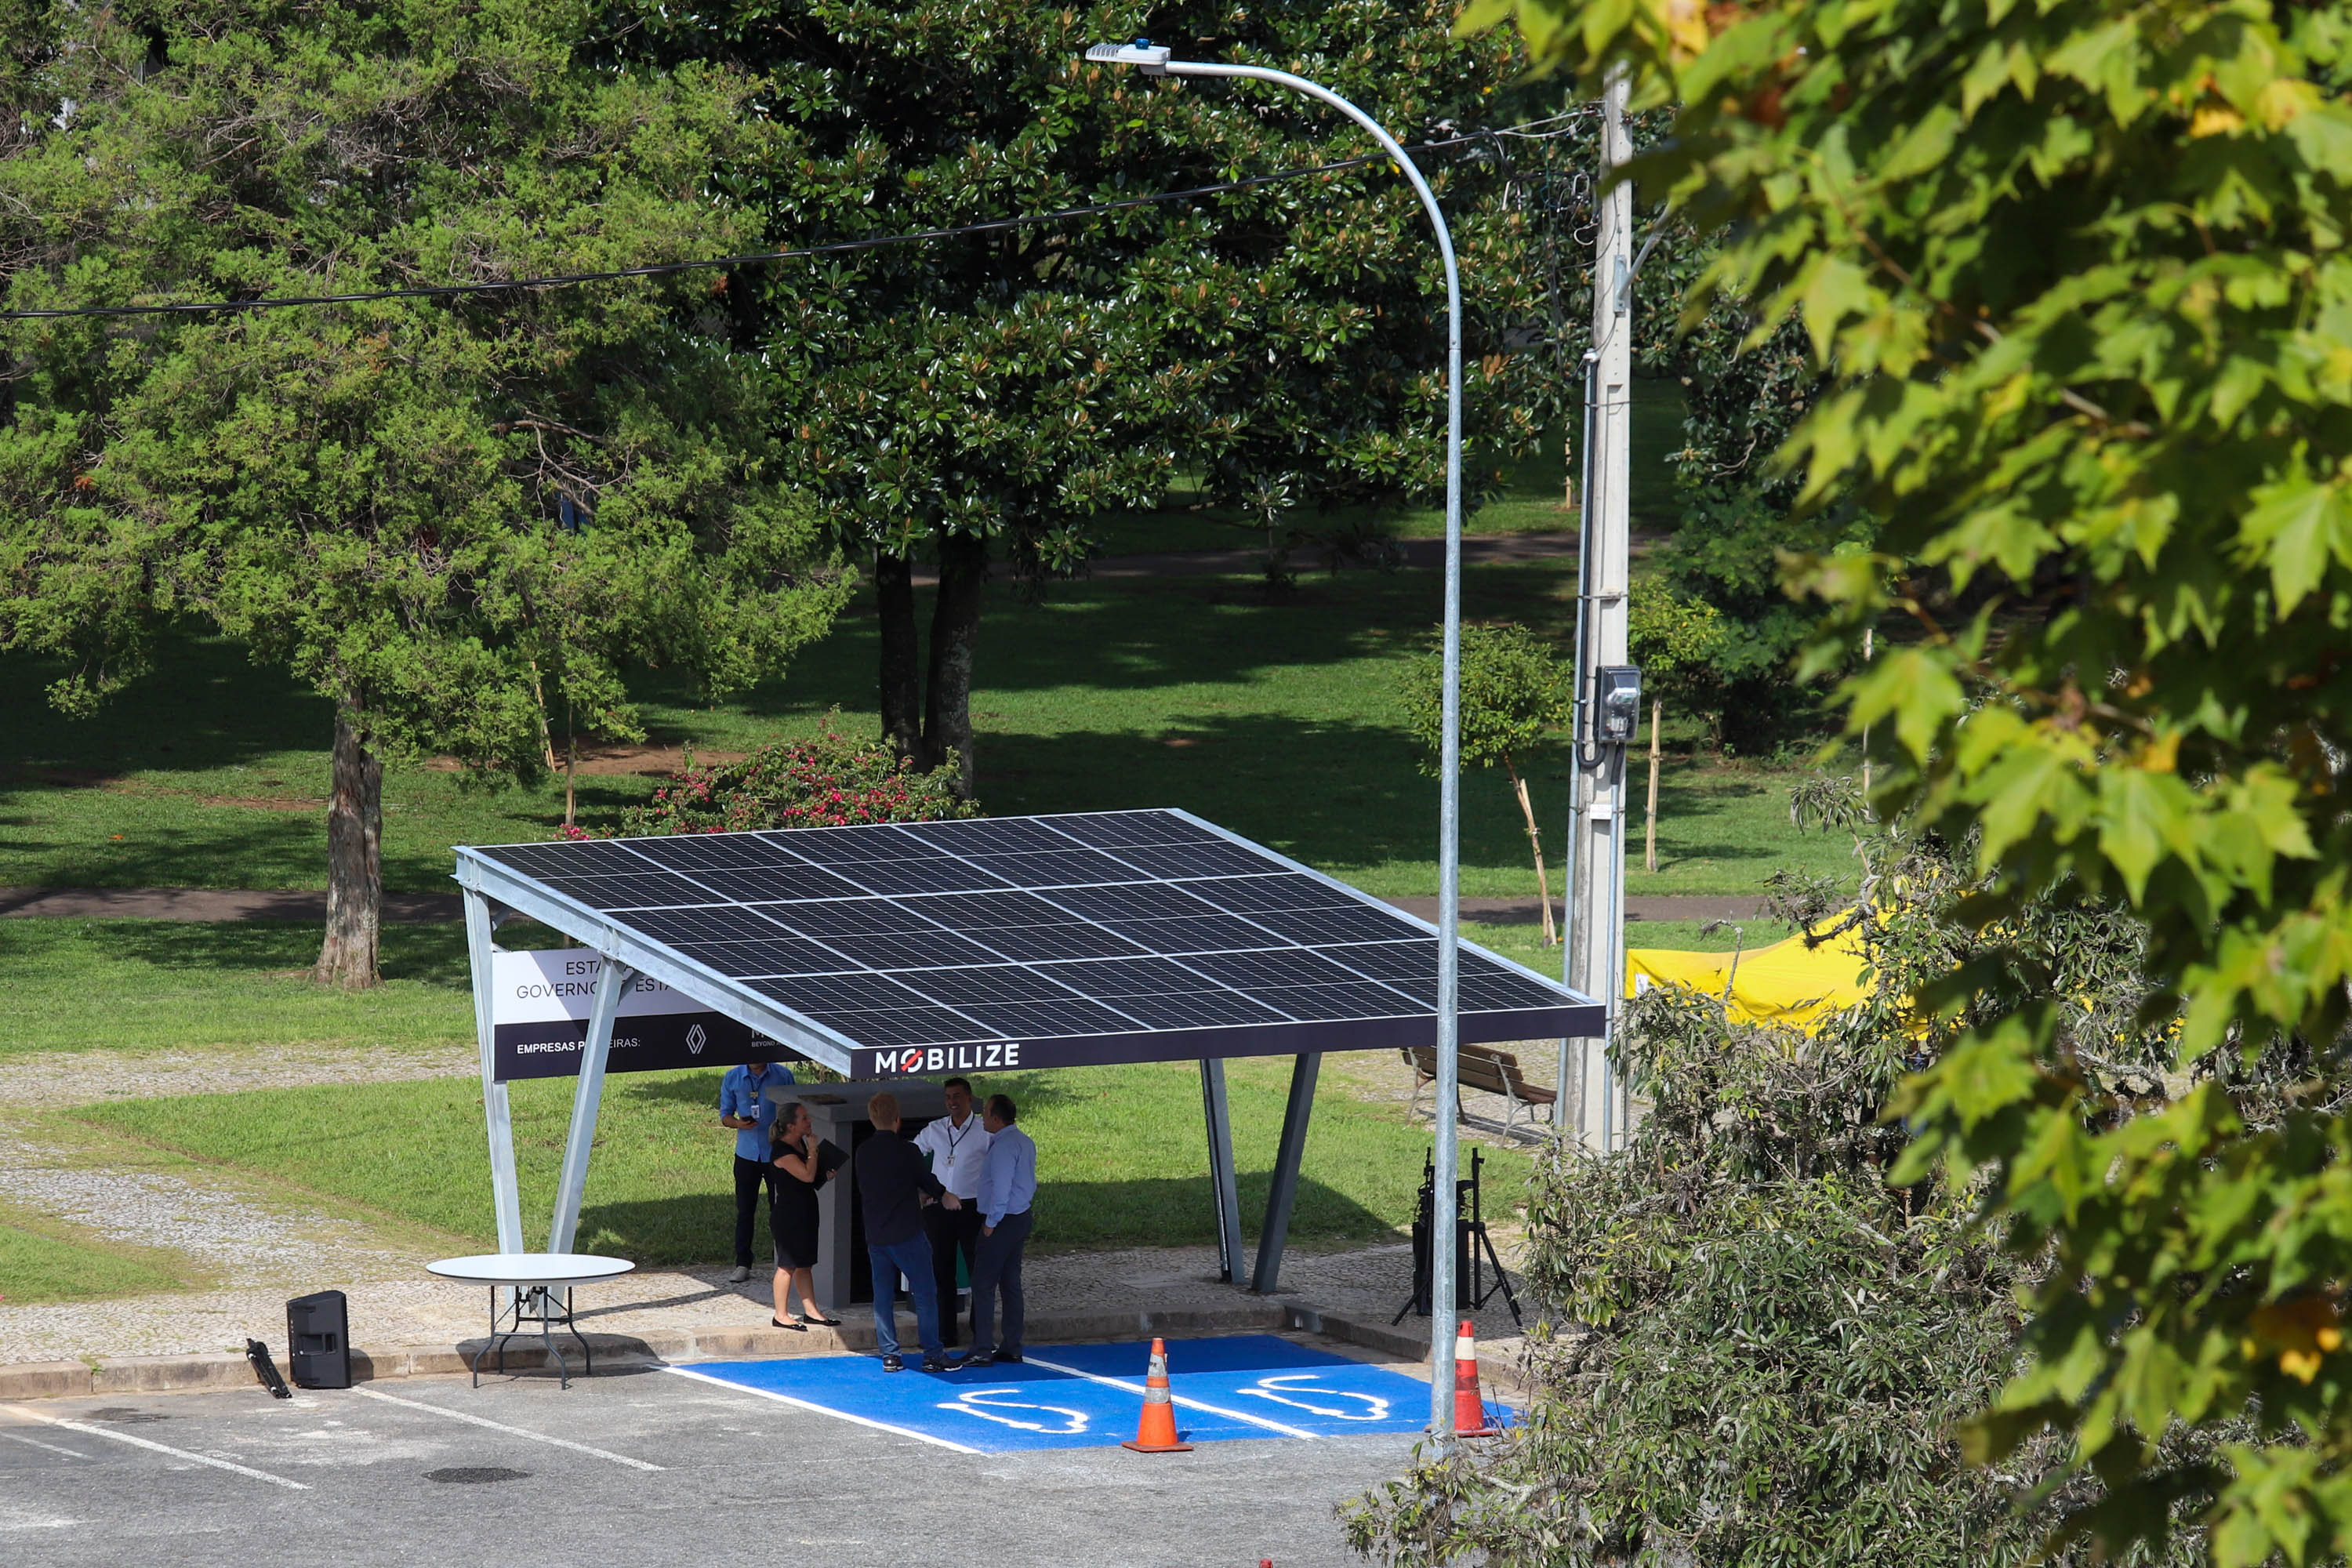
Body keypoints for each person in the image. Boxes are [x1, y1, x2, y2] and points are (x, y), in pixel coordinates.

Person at [853, 1091, 956, 1372]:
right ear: (898, 1120)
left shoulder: (863, 1152)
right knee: (925, 1293)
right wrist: (943, 1195)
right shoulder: (907, 1151)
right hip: (907, 1232)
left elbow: (876, 1188)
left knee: (882, 1296)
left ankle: (890, 1354)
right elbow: (925, 1179)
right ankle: (933, 1354)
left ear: (872, 1119)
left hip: (876, 1233)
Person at [911, 1076, 992, 1348]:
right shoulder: (935, 1129)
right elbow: (912, 1153)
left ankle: (980, 1332)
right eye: (948, 1097)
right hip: (939, 1207)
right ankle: (946, 1332)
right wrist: (923, 1188)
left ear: (969, 1098)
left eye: (957, 1097)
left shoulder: (984, 1131)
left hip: (972, 1207)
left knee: (977, 1270)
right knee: (941, 1271)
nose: (952, 1102)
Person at [959, 1093, 1036, 1369]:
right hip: (1020, 1217)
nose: (981, 1118)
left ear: (995, 1117)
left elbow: (1001, 1189)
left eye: (985, 1113)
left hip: (1002, 1220)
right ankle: (1012, 1345)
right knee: (1010, 1283)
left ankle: (982, 1348)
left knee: (983, 1284)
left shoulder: (1003, 1148)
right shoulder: (1024, 1141)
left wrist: (991, 1222)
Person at [767, 1101, 844, 1330]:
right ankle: (780, 1314)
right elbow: (806, 1176)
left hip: (806, 1209)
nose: (809, 1121)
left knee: (804, 1264)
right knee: (787, 1265)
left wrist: (825, 1174)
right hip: (789, 1215)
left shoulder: (800, 1144)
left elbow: (811, 1179)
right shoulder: (782, 1151)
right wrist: (813, 1151)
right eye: (804, 1119)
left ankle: (811, 1311)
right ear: (791, 1126)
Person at [717, 1058, 794, 1282]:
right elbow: (725, 1116)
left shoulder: (783, 1075)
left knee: (779, 1210)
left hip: (776, 1155)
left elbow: (792, 1109)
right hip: (746, 1154)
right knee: (745, 1211)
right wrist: (739, 1124)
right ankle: (743, 1263)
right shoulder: (733, 1076)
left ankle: (781, 1262)